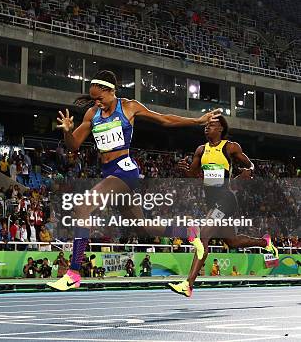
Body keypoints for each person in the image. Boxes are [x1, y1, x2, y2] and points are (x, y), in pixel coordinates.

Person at [47, 70, 222, 290]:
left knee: (82, 207)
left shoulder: (129, 107)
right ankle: (188, 231)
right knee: (142, 227)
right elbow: (73, 146)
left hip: (124, 171)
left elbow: (165, 120)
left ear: (111, 91)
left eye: (100, 98)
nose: (97, 103)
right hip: (109, 173)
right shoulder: (92, 114)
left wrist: (197, 120)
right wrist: (67, 132)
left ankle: (73, 273)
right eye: (94, 100)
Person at [168, 116, 278, 297]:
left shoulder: (230, 147)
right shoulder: (200, 150)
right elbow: (193, 173)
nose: (207, 128)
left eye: (211, 125)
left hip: (226, 200)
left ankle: (188, 284)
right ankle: (264, 242)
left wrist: (247, 172)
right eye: (206, 125)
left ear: (220, 129)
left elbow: (249, 164)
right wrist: (184, 169)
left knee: (203, 235)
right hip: (212, 202)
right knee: (232, 242)